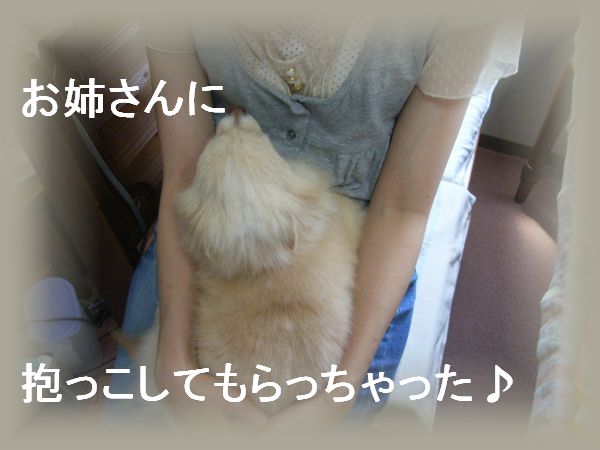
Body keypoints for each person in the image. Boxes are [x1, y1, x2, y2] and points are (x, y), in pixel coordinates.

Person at [109, 13, 522, 431]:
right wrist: (173, 362)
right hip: (220, 206)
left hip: (365, 229)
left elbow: (402, 208)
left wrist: (340, 391)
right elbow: (185, 170)